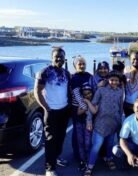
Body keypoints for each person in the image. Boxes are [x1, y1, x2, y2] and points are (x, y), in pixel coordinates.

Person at [34, 47, 71, 176]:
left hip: (64, 110)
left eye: (61, 56)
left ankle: (56, 157)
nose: (59, 58)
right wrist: (46, 108)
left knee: (61, 138)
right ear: (52, 58)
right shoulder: (44, 72)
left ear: (64, 58)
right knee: (50, 140)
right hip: (51, 112)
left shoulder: (66, 73)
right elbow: (37, 91)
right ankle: (50, 168)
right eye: (57, 56)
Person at [84, 71, 124, 176]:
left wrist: (120, 122)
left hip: (113, 123)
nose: (114, 82)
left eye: (116, 80)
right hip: (100, 124)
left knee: (110, 144)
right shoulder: (101, 90)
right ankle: (90, 166)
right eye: (112, 80)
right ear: (107, 80)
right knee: (96, 145)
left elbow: (120, 107)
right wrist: (89, 120)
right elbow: (92, 105)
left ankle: (109, 158)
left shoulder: (120, 92)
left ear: (119, 81)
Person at [70, 56, 95, 166]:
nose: (82, 65)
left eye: (83, 63)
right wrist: (84, 108)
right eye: (79, 63)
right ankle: (79, 156)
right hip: (78, 109)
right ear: (75, 65)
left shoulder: (89, 76)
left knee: (88, 136)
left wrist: (89, 107)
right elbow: (76, 94)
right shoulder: (74, 78)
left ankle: (88, 156)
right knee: (77, 135)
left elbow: (93, 90)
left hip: (88, 108)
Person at [76, 83, 95, 171]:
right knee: (80, 143)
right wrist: (84, 106)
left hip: (89, 124)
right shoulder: (82, 102)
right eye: (85, 94)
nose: (87, 95)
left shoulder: (94, 101)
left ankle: (89, 160)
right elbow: (78, 112)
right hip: (80, 124)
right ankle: (82, 161)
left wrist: (87, 103)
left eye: (89, 93)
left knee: (88, 143)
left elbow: (94, 111)